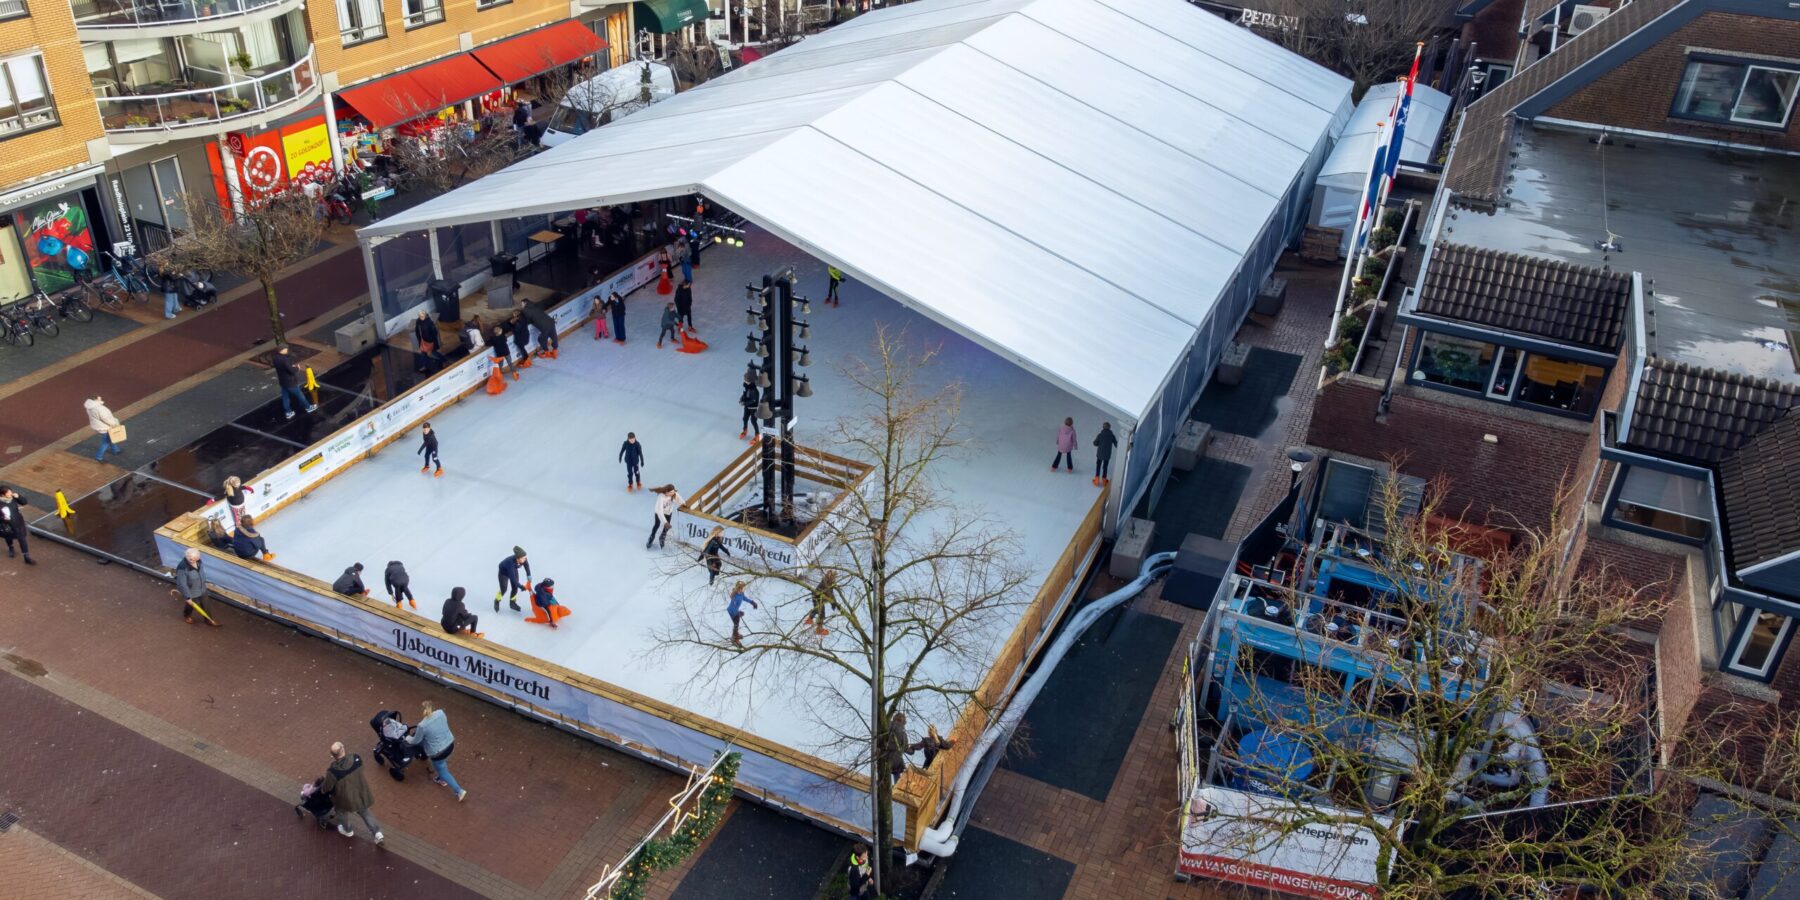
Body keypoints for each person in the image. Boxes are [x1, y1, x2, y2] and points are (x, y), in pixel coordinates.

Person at [321, 741, 383, 844]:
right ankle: (377, 832)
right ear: (343, 749)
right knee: (365, 812)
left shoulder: (333, 771)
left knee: (341, 812)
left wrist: (323, 790)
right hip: (360, 792)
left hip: (344, 798)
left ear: (333, 755)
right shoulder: (355, 758)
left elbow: (327, 787)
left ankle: (347, 830)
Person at [407, 700, 467, 802]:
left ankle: (459, 790)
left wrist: (407, 738)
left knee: (441, 769)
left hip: (438, 752)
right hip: (450, 745)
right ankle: (440, 779)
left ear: (422, 712)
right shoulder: (441, 713)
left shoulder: (422, 725)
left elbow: (415, 741)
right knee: (442, 763)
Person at [170, 547, 218, 627]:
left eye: (195, 559)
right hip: (191, 590)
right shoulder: (182, 568)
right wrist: (188, 597)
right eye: (191, 559)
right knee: (190, 605)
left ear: (198, 557)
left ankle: (209, 619)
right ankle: (187, 615)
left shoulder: (199, 561)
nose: (193, 561)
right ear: (186, 556)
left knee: (206, 604)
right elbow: (182, 583)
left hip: (202, 587)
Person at [271, 346, 315, 420]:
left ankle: (288, 412)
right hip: (290, 382)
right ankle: (308, 407)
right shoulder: (285, 360)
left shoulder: (275, 358)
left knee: (285, 398)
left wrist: (290, 366)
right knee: (300, 395)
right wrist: (297, 368)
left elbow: (282, 367)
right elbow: (292, 371)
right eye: (285, 349)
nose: (287, 350)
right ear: (281, 350)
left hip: (283, 381)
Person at [0, 485, 33, 565]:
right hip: (7, 524)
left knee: (22, 538)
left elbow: (24, 502)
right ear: (2, 495)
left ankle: (26, 556)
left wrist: (18, 497)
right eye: (8, 492)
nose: (10, 493)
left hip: (19, 523)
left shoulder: (14, 498)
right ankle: (11, 547)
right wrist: (4, 518)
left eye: (10, 491)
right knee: (8, 537)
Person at [85, 396, 124, 462]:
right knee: (105, 442)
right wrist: (114, 424)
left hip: (98, 425)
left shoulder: (89, 406)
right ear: (95, 399)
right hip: (104, 427)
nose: (101, 399)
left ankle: (115, 450)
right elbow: (105, 419)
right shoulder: (99, 408)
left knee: (111, 437)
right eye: (99, 398)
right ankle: (99, 457)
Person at [495, 547, 530, 612]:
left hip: (514, 569)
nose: (525, 558)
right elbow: (513, 579)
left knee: (515, 588)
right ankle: (497, 600)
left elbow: (526, 566)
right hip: (504, 573)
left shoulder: (523, 559)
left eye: (525, 557)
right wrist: (521, 586)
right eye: (523, 557)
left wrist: (529, 575)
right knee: (504, 589)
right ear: (518, 558)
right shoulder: (510, 563)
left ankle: (512, 603)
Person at [647, 484, 680, 549]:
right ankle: (651, 537)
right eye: (671, 492)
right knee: (657, 525)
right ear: (666, 492)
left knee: (667, 527)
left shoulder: (673, 494)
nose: (673, 493)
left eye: (673, 492)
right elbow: (660, 512)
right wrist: (665, 522)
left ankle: (662, 537)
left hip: (668, 512)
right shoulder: (661, 497)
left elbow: (679, 499)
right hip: (659, 512)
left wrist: (683, 503)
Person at [805, 570, 838, 635]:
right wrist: (833, 603)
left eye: (834, 577)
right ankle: (809, 619)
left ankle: (819, 628)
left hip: (821, 598)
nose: (834, 578)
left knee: (822, 613)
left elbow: (831, 593)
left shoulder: (831, 583)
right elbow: (829, 593)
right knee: (818, 609)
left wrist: (834, 603)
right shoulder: (825, 581)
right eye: (833, 576)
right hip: (817, 597)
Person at [726, 581, 758, 647]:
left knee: (736, 624)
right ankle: (735, 638)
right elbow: (733, 602)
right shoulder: (734, 595)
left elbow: (745, 598)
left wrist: (752, 602)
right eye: (739, 588)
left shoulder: (741, 594)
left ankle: (735, 634)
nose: (741, 589)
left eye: (742, 588)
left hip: (735, 611)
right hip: (732, 611)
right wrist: (738, 613)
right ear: (737, 588)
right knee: (736, 624)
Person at [1092, 421, 1118, 487]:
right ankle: (1104, 480)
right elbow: (1116, 444)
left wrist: (1098, 443)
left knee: (1098, 465)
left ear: (1103, 427)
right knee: (1105, 466)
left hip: (1100, 454)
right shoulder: (1112, 436)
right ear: (1109, 428)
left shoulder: (1100, 435)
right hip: (1107, 454)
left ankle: (1097, 480)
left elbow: (1095, 443)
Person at [738, 375, 762, 440]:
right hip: (747, 407)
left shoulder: (754, 390)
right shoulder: (747, 387)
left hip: (753, 408)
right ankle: (745, 430)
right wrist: (741, 399)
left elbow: (753, 400)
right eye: (745, 380)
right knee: (745, 418)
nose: (745, 381)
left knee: (753, 421)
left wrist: (744, 403)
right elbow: (744, 394)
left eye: (747, 380)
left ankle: (757, 434)